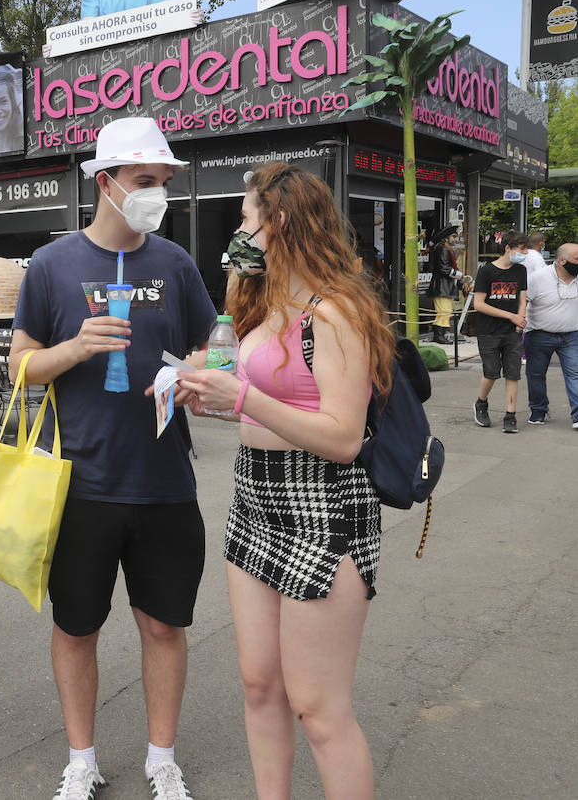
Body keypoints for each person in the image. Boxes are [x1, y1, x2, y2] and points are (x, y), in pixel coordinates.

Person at [9, 118, 216, 800]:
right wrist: (74, 348)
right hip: (79, 483)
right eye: (144, 182)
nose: (156, 194)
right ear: (105, 182)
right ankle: (81, 759)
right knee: (77, 627)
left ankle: (162, 758)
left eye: (162, 183)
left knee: (163, 625)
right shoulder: (53, 265)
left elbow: (207, 347)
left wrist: (195, 375)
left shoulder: (176, 265)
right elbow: (19, 369)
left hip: (163, 481)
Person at [177, 163, 396, 800]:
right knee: (259, 684)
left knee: (319, 708)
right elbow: (248, 387)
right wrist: (204, 391)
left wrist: (241, 397)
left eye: (247, 221)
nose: (239, 233)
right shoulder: (265, 302)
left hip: (324, 505)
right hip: (255, 497)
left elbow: (343, 437)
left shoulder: (335, 312)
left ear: (281, 224)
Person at [472, 231, 530, 433]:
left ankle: (510, 415)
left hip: (512, 332)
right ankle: (481, 402)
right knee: (491, 372)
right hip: (488, 331)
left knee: (513, 373)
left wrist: (520, 319)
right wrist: (510, 316)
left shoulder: (521, 271)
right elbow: (478, 304)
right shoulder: (486, 271)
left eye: (526, 248)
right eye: (522, 248)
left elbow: (522, 298)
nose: (525, 252)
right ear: (508, 248)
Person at [523, 243, 578, 427]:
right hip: (539, 335)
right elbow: (523, 301)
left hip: (572, 336)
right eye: (577, 259)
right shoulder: (538, 278)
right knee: (536, 375)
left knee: (575, 375)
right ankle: (538, 411)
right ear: (562, 261)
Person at [427, 225, 463, 344]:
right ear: (446, 238)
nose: (454, 239)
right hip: (441, 285)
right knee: (443, 311)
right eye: (453, 236)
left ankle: (441, 334)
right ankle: (439, 336)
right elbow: (443, 268)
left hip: (445, 285)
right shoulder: (442, 248)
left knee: (446, 311)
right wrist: (457, 274)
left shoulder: (444, 248)